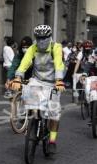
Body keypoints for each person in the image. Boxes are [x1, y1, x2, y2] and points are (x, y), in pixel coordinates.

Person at [11, 24, 65, 154]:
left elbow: (59, 64)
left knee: (54, 113)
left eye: (44, 38)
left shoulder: (56, 47)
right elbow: (25, 62)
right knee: (30, 99)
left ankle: (52, 140)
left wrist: (59, 80)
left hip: (54, 82)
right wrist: (18, 77)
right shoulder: (32, 48)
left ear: (49, 37)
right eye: (38, 38)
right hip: (37, 80)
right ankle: (32, 121)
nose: (41, 41)